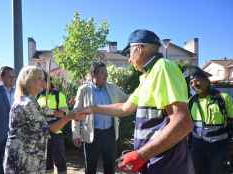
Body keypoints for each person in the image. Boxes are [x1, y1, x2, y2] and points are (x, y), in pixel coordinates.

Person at [77, 29, 194, 174]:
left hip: (165, 165)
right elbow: (125, 108)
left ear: (139, 49)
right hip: (153, 163)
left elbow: (183, 122)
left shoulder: (163, 67)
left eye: (129, 53)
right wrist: (93, 109)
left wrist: (140, 155)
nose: (129, 60)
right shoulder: (147, 76)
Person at [3, 65, 77, 174]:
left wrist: (67, 113)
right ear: (29, 81)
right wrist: (70, 116)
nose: (44, 82)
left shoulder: (30, 100)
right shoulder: (26, 103)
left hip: (27, 160)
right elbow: (49, 129)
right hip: (23, 162)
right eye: (40, 79)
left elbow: (47, 113)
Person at [72, 61, 128, 174]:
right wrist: (76, 133)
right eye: (103, 73)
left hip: (110, 134)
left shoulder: (112, 88)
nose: (106, 75)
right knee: (91, 168)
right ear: (93, 75)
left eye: (106, 72)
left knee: (110, 168)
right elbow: (76, 113)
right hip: (92, 134)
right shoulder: (84, 90)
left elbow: (127, 99)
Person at [184, 65, 233, 174]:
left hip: (219, 148)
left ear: (206, 80)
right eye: (191, 83)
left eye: (196, 81)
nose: (194, 85)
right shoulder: (190, 102)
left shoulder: (223, 98)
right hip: (197, 148)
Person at [37, 80, 69, 174]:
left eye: (42, 81)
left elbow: (64, 114)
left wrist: (51, 111)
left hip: (56, 133)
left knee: (60, 161)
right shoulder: (38, 96)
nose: (40, 83)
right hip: (42, 133)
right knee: (46, 162)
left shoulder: (59, 95)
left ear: (48, 82)